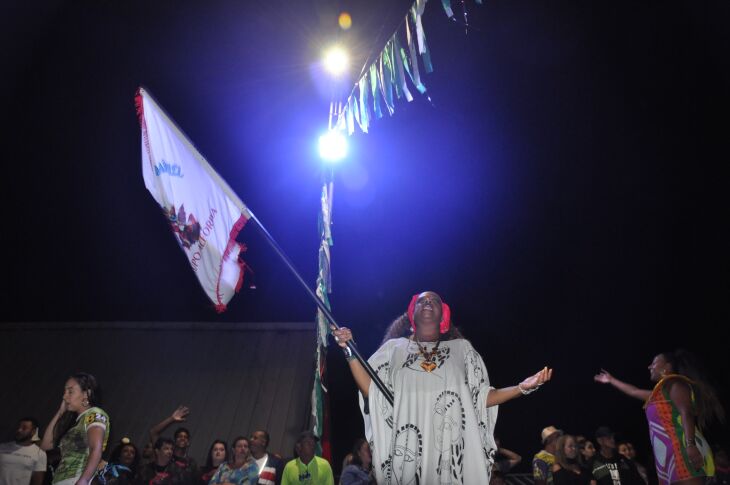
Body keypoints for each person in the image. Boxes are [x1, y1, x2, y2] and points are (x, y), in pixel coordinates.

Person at [332, 291, 553, 484]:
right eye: (421, 300)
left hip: (450, 454)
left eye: (434, 300)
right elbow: (372, 391)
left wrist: (522, 388)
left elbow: (481, 396)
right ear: (412, 314)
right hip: (409, 452)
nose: (427, 302)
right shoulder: (393, 349)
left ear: (443, 315)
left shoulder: (462, 350)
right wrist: (349, 350)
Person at [594, 350, 725, 485]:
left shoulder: (676, 385)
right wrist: (611, 380)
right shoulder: (659, 394)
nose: (649, 367)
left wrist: (690, 445)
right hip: (667, 456)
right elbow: (634, 391)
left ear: (667, 367)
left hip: (681, 450)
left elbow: (686, 414)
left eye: (654, 363)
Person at [40, 373, 110, 485]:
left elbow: (95, 448)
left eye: (70, 391)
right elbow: (46, 445)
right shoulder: (76, 422)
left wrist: (84, 480)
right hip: (61, 480)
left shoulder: (94, 413)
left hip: (75, 479)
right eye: (65, 391)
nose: (64, 396)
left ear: (86, 394)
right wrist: (60, 412)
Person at [149, 407, 199, 482]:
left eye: (185, 437)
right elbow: (153, 432)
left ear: (188, 442)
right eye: (179, 436)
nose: (182, 438)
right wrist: (171, 419)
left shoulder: (192, 463)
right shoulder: (165, 455)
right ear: (175, 441)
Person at [0, 417, 47, 485]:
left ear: (33, 432)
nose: (19, 430)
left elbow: (38, 481)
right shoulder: (2, 447)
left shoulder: (40, 453)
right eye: (18, 427)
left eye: (24, 428)